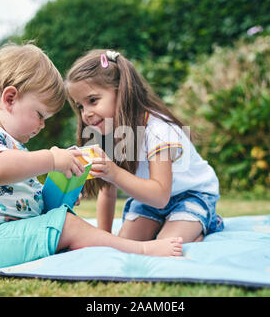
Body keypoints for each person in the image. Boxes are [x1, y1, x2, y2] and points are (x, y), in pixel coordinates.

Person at [0, 44, 183, 271]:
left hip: (6, 239)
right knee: (67, 225)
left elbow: (19, 199)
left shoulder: (10, 143)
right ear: (10, 98)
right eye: (40, 115)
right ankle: (140, 250)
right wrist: (51, 158)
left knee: (63, 218)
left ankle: (101, 243)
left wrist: (60, 194)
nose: (42, 126)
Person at [65, 49, 224, 244]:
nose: (86, 113)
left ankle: (207, 222)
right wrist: (104, 240)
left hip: (191, 195)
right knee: (126, 243)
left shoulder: (159, 131)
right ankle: (175, 226)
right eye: (80, 106)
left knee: (167, 243)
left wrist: (113, 172)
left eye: (92, 101)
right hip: (149, 202)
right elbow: (107, 190)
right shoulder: (109, 133)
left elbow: (160, 196)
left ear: (121, 91)